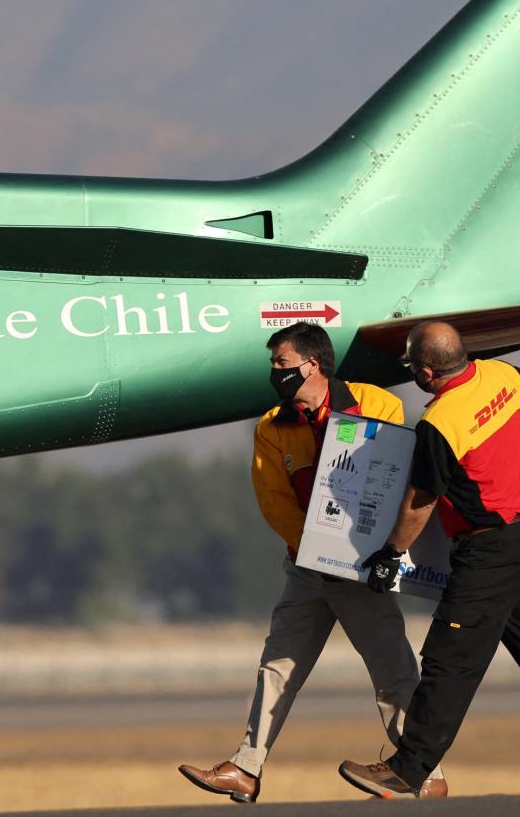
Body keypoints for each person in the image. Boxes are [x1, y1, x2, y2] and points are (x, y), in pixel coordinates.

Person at [337, 321, 520, 799]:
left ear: (427, 371)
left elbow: (421, 501)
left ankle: (408, 770)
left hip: (489, 551)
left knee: (449, 660)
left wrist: (391, 554)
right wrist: (495, 437)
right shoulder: (503, 376)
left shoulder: (440, 421)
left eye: (413, 367)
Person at [179, 321, 446, 803]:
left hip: (361, 565)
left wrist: (352, 553)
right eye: (273, 365)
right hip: (307, 564)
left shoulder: (376, 403)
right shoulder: (270, 426)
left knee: (391, 668)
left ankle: (425, 774)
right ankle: (246, 767)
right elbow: (273, 500)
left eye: (280, 363)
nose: (274, 372)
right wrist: (315, 547)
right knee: (278, 663)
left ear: (312, 364)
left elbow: (388, 477)